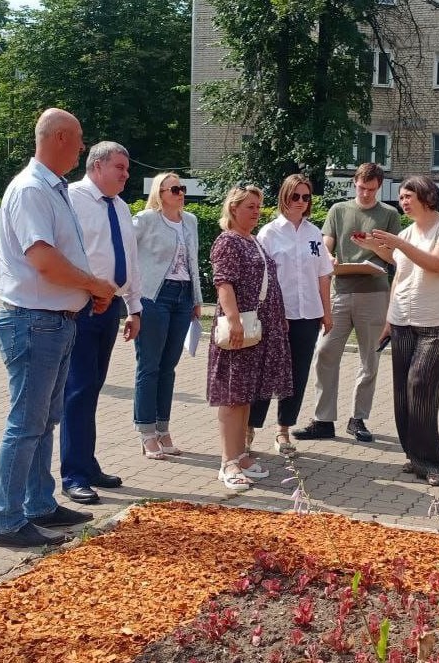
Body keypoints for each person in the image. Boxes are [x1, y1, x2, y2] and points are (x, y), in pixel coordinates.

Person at [0, 108, 117, 548]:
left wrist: (88, 290)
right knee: (26, 424)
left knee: (45, 421)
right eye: (79, 138)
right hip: (34, 321)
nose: (83, 147)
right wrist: (92, 284)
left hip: (54, 321)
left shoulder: (52, 188)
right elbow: (42, 260)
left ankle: (39, 505)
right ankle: (7, 522)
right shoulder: (31, 190)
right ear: (60, 137)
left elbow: (59, 257)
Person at [59, 141, 143, 505]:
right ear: (97, 166)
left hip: (109, 310)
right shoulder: (71, 199)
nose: (126, 174)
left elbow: (130, 260)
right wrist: (88, 290)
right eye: (120, 168)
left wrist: (134, 307)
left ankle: (87, 464)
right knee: (76, 391)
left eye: (126, 168)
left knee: (92, 388)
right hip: (79, 307)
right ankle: (73, 474)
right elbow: (63, 254)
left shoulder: (121, 207)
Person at [293, 163, 401, 443]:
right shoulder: (338, 210)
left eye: (372, 189)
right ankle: (323, 420)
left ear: (379, 187)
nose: (366, 194)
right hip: (340, 290)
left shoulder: (389, 214)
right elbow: (326, 243)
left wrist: (372, 248)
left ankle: (358, 419)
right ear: (354, 183)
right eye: (362, 188)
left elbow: (393, 258)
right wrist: (327, 258)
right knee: (325, 351)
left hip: (375, 292)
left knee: (370, 357)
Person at [371, 176, 439, 487]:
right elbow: (401, 274)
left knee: (420, 385)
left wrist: (398, 244)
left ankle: (432, 462)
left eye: (409, 195)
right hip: (402, 321)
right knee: (402, 393)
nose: (403, 201)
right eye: (401, 196)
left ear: (427, 196)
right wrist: (387, 320)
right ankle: (413, 455)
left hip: (437, 323)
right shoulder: (408, 232)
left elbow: (437, 264)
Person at [207, 185, 292, 491]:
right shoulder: (228, 241)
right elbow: (224, 284)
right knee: (232, 395)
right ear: (233, 209)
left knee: (245, 394)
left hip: (258, 327)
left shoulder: (253, 240)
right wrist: (232, 320)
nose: (256, 212)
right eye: (250, 207)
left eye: (258, 207)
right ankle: (227, 462)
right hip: (241, 327)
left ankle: (241, 455)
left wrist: (278, 318)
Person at [247, 175, 333, 456]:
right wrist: (270, 313)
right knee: (266, 372)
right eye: (295, 196)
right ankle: (249, 426)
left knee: (297, 374)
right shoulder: (269, 233)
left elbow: (323, 275)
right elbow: (262, 278)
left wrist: (326, 312)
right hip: (276, 315)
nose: (300, 202)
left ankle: (283, 429)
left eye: (306, 197)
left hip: (307, 314)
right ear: (284, 196)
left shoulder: (313, 233)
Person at [131, 173, 203, 459]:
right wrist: (131, 297)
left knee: (168, 366)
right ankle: (146, 431)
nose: (180, 192)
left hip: (182, 296)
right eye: (174, 189)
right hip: (154, 297)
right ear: (159, 193)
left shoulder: (191, 221)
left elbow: (193, 262)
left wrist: (196, 298)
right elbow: (126, 249)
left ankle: (163, 429)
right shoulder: (146, 219)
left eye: (182, 188)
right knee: (149, 365)